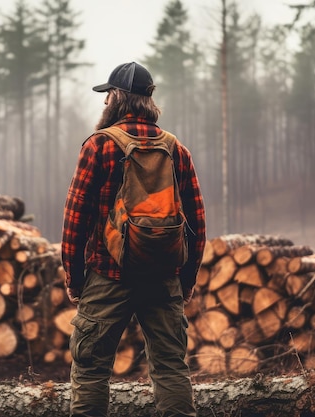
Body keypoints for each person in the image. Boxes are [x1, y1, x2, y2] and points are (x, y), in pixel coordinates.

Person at [61, 61, 206, 417]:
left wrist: (75, 280)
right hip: (163, 277)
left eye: (106, 95)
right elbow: (197, 224)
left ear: (116, 98)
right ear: (148, 100)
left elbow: (74, 220)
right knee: (171, 369)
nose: (104, 103)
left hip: (107, 276)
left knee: (91, 370)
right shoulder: (176, 149)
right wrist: (184, 281)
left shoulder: (99, 146)